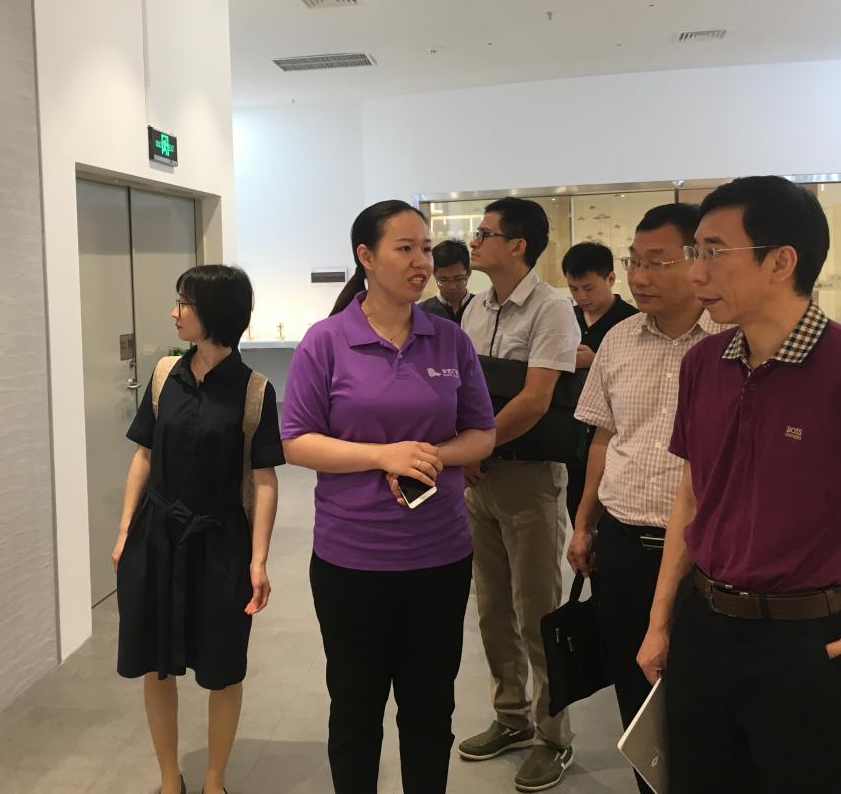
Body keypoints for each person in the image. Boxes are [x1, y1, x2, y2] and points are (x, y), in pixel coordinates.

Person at [635, 176, 841, 794]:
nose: (696, 272)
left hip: (806, 642)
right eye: (694, 253)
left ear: (781, 261)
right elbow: (692, 496)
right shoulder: (704, 363)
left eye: (713, 252)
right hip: (703, 625)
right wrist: (660, 621)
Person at [282, 200, 497, 794]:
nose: (421, 261)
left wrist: (431, 455)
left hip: (440, 557)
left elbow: (482, 433)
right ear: (366, 257)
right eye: (405, 248)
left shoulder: (449, 340)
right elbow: (296, 441)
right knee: (355, 708)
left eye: (425, 248)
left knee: (430, 709)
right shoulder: (326, 342)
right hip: (351, 561)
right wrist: (383, 456)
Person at [566, 205, 723, 794]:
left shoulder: (731, 343)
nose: (639, 277)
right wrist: (585, 522)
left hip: (706, 552)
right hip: (625, 544)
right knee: (635, 690)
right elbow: (603, 437)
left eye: (656, 262)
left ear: (698, 261)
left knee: (703, 693)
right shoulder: (618, 340)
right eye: (634, 262)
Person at [113, 264, 283, 794]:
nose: (174, 312)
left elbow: (265, 481)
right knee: (155, 664)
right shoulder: (166, 374)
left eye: (183, 302)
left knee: (224, 665)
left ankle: (214, 780)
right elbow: (143, 456)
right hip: (156, 537)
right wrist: (125, 532)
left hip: (221, 544)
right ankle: (170, 779)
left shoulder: (254, 391)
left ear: (214, 312)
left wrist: (258, 560)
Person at [458, 197, 581, 793]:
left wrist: (475, 448)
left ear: (517, 245)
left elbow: (535, 401)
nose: (474, 241)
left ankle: (554, 736)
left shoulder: (552, 308)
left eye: (485, 233)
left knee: (538, 612)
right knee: (491, 610)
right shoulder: (474, 307)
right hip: (478, 480)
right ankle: (510, 716)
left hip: (529, 480)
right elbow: (463, 389)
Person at [561, 241, 638, 526]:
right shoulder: (566, 318)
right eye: (574, 289)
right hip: (571, 434)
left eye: (589, 288)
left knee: (607, 519)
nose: (582, 296)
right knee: (575, 509)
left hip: (612, 436)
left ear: (610, 278)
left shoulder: (631, 321)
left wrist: (596, 362)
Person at [420, 238, 475, 324]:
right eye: (443, 280)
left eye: (458, 279)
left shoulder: (483, 308)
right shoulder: (421, 312)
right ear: (434, 275)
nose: (452, 286)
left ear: (469, 272)